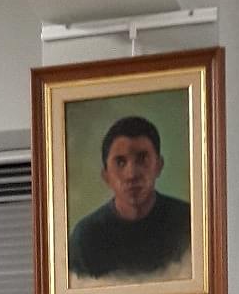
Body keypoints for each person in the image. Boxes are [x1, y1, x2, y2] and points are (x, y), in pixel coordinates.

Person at [68, 115, 191, 281]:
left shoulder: (188, 223)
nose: (131, 174)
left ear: (158, 166)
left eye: (142, 159)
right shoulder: (85, 238)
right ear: (106, 176)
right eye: (120, 162)